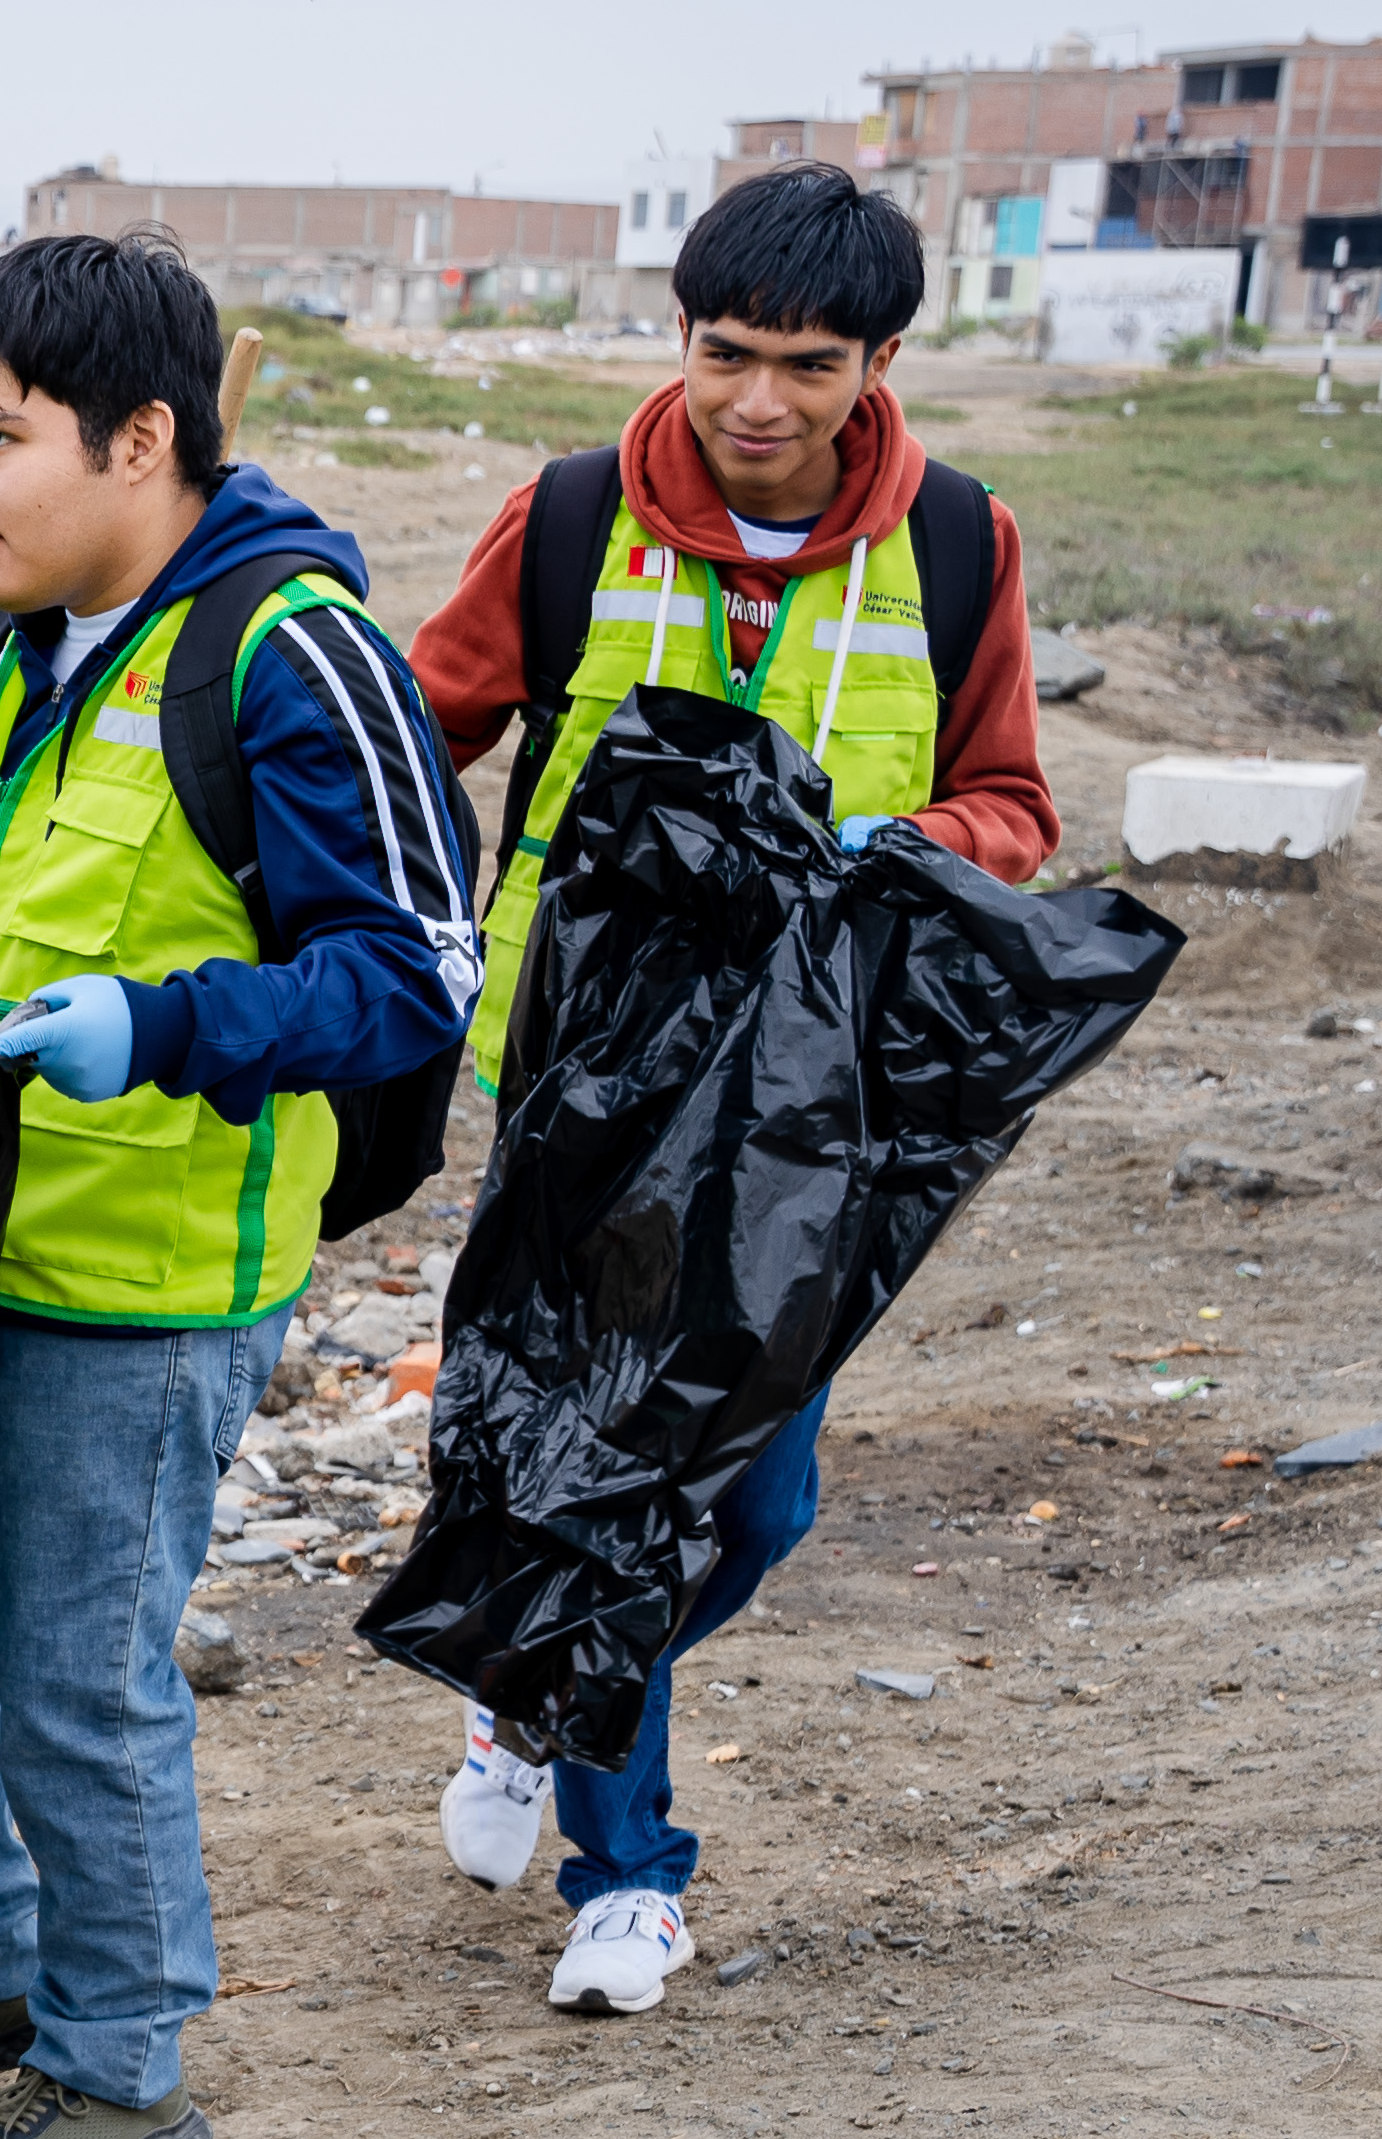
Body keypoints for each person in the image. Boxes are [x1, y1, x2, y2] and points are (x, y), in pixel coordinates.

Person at [0, 234, 474, 2139]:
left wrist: (154, 1027)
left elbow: (412, 975)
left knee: (81, 1667)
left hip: (144, 1283)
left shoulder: (288, 653)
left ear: (141, 435)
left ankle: (122, 2050)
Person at [403, 164, 1052, 2011]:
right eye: (724, 353)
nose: (756, 403)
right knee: (630, 1478)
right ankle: (632, 1875)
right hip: (582, 1102)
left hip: (810, 1113)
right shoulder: (571, 521)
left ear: (881, 362)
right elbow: (405, 733)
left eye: (806, 364)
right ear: (678, 337)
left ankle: (533, 1680)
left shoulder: (956, 545)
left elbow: (1013, 806)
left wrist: (898, 842)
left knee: (753, 1507)